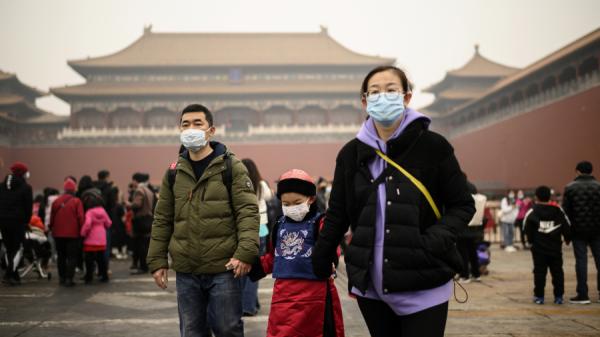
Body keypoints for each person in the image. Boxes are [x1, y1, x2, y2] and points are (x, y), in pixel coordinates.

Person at [311, 65, 475, 337]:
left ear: (407, 97)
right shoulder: (350, 154)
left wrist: (433, 241)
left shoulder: (433, 147)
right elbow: (338, 213)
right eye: (375, 92)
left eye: (391, 90)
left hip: (424, 282)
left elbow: (462, 204)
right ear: (365, 101)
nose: (383, 97)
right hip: (372, 287)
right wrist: (320, 258)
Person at [147, 103, 259, 337]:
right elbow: (162, 218)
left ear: (211, 130)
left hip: (224, 267)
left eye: (198, 123)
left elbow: (247, 211)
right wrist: (157, 259)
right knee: (191, 331)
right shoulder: (174, 171)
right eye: (185, 124)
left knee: (227, 329)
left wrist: (245, 253)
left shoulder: (231, 167)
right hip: (187, 269)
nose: (191, 128)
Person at [249, 169, 344, 337]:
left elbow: (330, 246)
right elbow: (274, 256)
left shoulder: (320, 223)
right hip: (283, 299)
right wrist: (255, 266)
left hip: (315, 298)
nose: (292, 208)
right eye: (286, 204)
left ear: (311, 199)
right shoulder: (279, 225)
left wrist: (331, 261)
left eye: (297, 202)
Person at [524, 185, 571, 304]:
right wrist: (567, 238)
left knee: (539, 273)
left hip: (538, 249)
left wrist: (530, 242)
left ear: (536, 197)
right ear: (550, 196)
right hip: (555, 248)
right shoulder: (558, 210)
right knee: (557, 272)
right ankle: (559, 297)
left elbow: (526, 228)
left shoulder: (532, 211)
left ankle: (539, 297)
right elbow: (566, 226)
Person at [562, 161, 600, 304]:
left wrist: (566, 234)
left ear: (577, 171)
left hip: (578, 232)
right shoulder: (599, 187)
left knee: (581, 262)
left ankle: (583, 295)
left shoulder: (570, 188)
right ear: (591, 171)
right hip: (598, 231)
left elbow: (566, 214)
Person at [240, 158, 273, 316]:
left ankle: (249, 304)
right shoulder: (261, 185)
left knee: (243, 269)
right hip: (261, 230)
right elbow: (269, 197)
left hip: (243, 230)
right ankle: (249, 306)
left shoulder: (238, 184)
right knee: (255, 269)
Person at [0, 162, 33, 285]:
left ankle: (14, 275)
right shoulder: (26, 188)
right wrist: (26, 221)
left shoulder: (1, 186)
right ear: (22, 173)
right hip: (18, 221)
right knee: (18, 248)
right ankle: (8, 274)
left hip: (3, 221)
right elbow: (28, 207)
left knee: (9, 249)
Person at [49, 178, 84, 287]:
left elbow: (52, 218)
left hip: (58, 234)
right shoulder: (76, 201)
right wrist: (82, 231)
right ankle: (69, 278)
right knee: (72, 257)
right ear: (74, 190)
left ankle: (62, 278)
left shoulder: (56, 201)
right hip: (73, 234)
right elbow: (81, 218)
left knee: (61, 256)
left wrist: (51, 227)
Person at [457, 182, 486, 283]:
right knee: (473, 253)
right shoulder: (476, 195)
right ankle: (476, 274)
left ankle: (465, 276)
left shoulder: (461, 195)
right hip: (475, 231)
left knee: (463, 254)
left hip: (463, 231)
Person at [80, 200, 112, 283]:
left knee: (89, 260)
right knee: (101, 259)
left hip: (90, 239)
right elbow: (108, 223)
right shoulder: (103, 211)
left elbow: (87, 224)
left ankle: (89, 277)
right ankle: (104, 276)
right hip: (101, 238)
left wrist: (82, 233)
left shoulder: (89, 212)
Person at [129, 172, 155, 275]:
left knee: (140, 244)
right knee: (146, 244)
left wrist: (129, 204)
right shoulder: (148, 190)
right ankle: (147, 265)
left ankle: (143, 267)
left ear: (136, 180)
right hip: (149, 219)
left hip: (141, 220)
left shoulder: (139, 190)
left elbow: (137, 205)